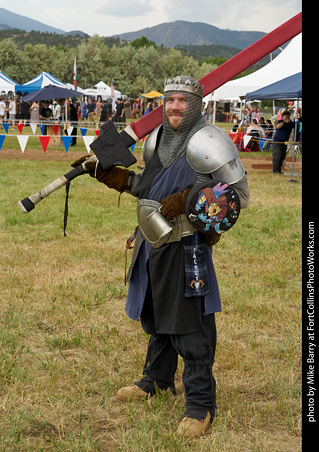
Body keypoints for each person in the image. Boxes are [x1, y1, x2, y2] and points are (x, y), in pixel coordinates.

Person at [71, 75, 249, 438]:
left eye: (183, 100)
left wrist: (189, 199)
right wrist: (115, 177)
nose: (175, 106)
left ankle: (200, 404)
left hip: (187, 245)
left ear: (195, 103)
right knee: (155, 311)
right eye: (170, 100)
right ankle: (157, 379)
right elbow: (148, 189)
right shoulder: (156, 141)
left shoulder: (210, 140)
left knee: (189, 323)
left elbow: (237, 196)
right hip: (150, 242)